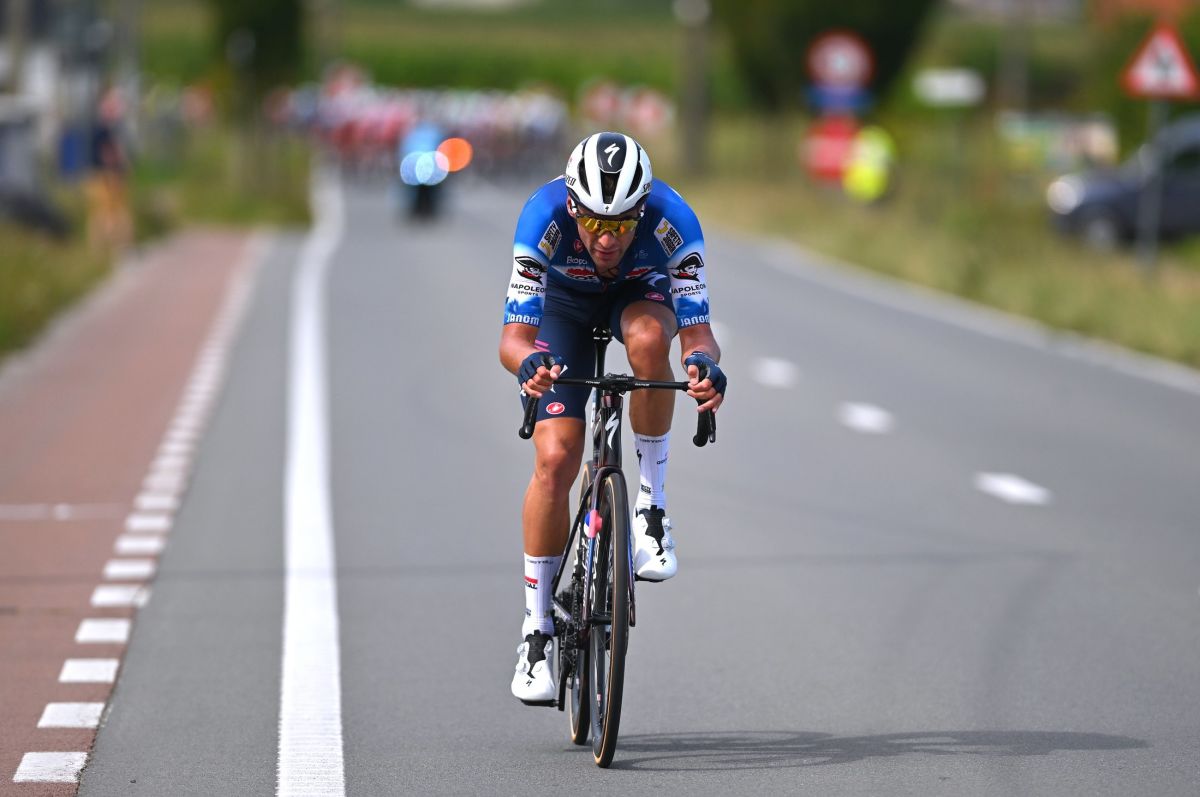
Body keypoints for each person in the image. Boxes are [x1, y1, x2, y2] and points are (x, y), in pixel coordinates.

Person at [499, 132, 727, 704]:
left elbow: (698, 335)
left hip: (640, 294)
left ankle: (650, 509)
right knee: (556, 459)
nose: (606, 239)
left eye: (622, 226)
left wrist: (703, 366)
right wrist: (529, 363)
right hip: (563, 309)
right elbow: (513, 339)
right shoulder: (542, 218)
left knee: (650, 342)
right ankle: (536, 632)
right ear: (572, 206)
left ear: (641, 212)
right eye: (595, 223)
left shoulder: (674, 222)